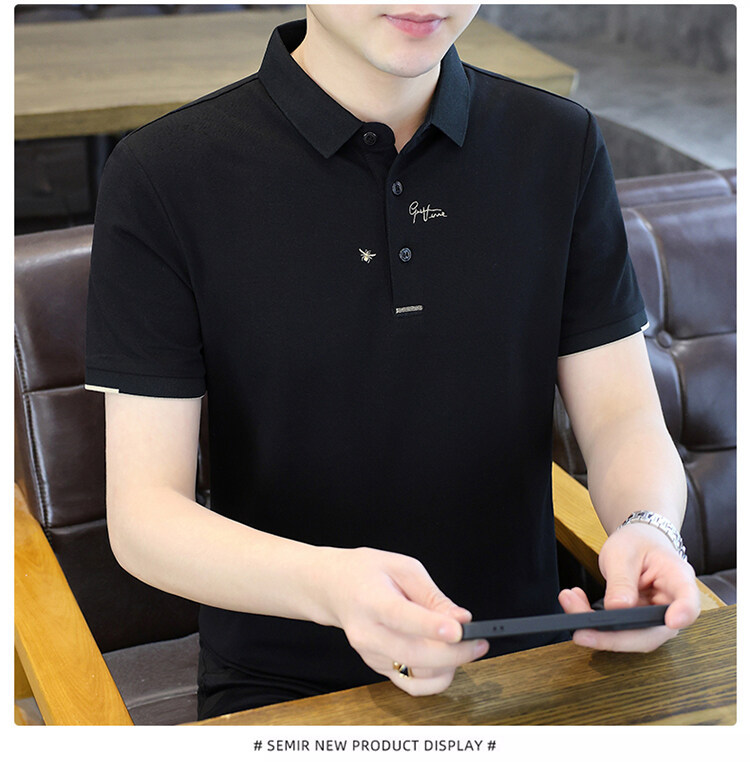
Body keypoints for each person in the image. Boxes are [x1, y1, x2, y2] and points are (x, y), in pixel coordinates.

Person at [85, 5, 700, 721]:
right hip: (289, 682)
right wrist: (331, 587)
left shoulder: (559, 142)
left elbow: (623, 416)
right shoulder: (164, 173)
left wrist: (651, 527)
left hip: (539, 653)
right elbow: (145, 517)